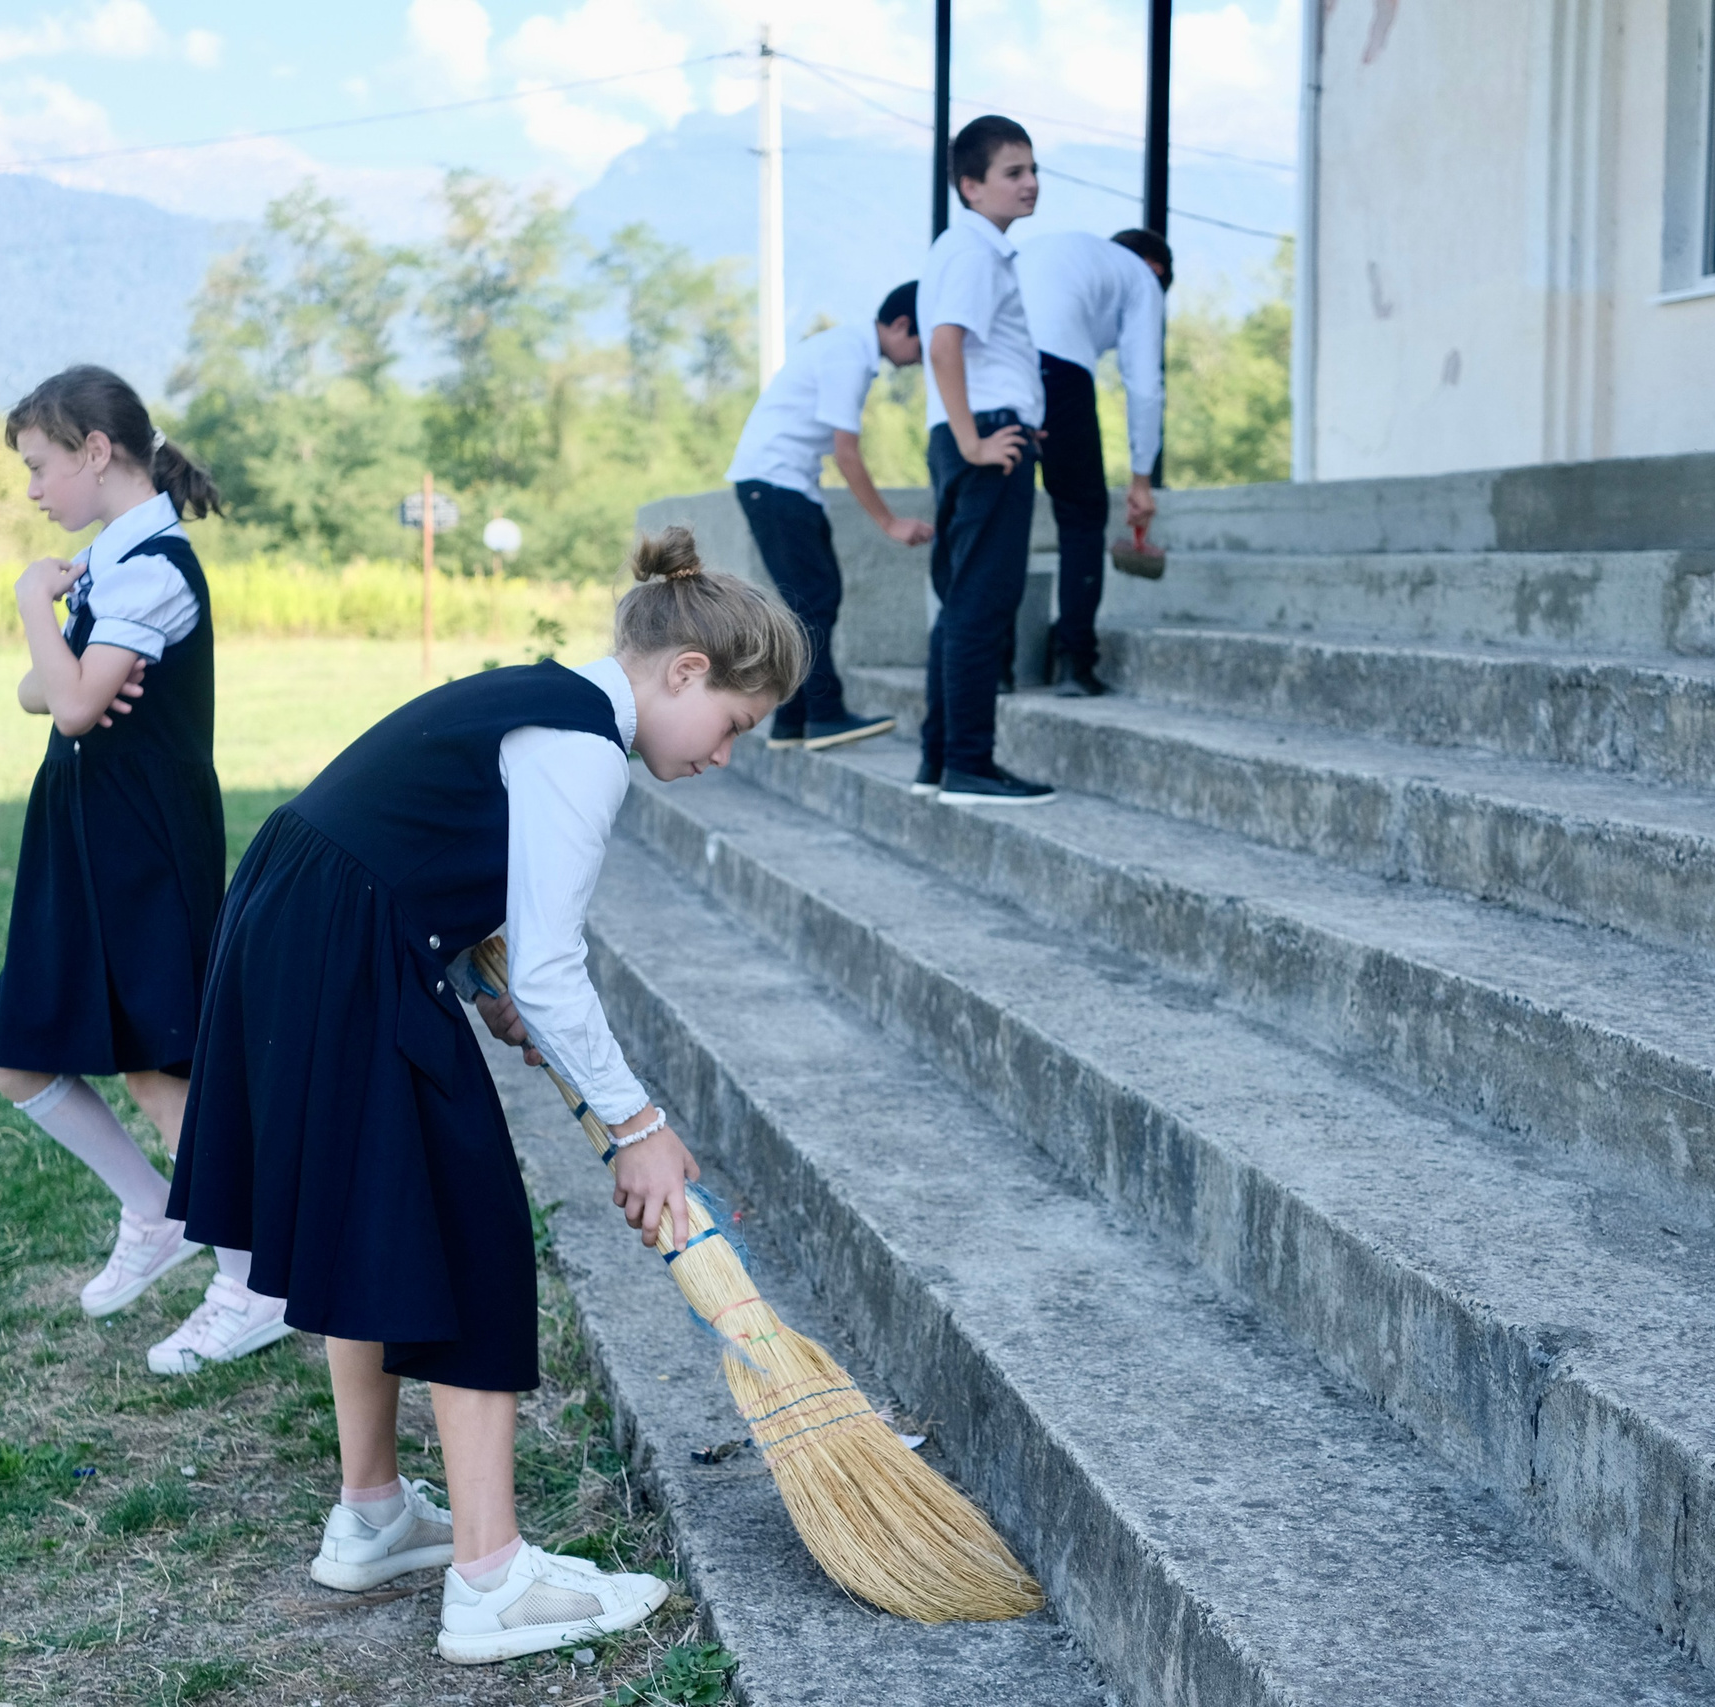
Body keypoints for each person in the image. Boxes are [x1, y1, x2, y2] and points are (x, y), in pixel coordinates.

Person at [166, 529, 803, 1665]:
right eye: (734, 724)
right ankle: (493, 1581)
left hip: (300, 921)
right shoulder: (584, 743)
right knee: (469, 1231)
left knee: (373, 1223)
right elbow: (553, 969)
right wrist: (640, 1128)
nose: (723, 754)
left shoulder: (542, 699)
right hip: (342, 943)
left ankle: (373, 1516)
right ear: (685, 672)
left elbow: (426, 846)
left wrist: (474, 974)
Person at [0, 364, 289, 1379]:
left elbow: (68, 704)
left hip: (143, 845)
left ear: (97, 451)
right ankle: (157, 1213)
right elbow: (42, 690)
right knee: (4, 1050)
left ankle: (255, 1280)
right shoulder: (108, 566)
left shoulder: (152, 569)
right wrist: (64, 662)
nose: (33, 490)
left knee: (159, 1063)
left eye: (39, 466)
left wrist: (35, 602)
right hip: (81, 838)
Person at [725, 280, 931, 751]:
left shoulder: (846, 347)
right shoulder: (849, 355)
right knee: (814, 598)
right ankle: (825, 715)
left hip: (782, 485)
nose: (924, 359)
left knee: (810, 599)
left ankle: (793, 720)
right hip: (776, 484)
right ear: (902, 325)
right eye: (924, 345)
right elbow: (847, 452)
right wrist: (890, 522)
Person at [917, 114, 1056, 805]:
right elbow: (945, 345)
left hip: (979, 434)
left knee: (962, 603)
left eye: (1033, 170)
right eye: (1013, 172)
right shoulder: (974, 250)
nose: (1030, 184)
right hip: (984, 440)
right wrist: (976, 440)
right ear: (971, 186)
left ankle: (939, 761)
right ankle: (968, 765)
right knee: (982, 604)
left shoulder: (968, 248)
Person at [1018, 227, 1174, 696]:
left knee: (1004, 516)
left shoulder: (1058, 250)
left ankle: (1000, 667)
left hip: (993, 368)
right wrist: (1141, 480)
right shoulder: (1142, 278)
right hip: (1059, 369)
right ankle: (1074, 664)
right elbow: (1144, 383)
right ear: (1155, 269)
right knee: (1082, 515)